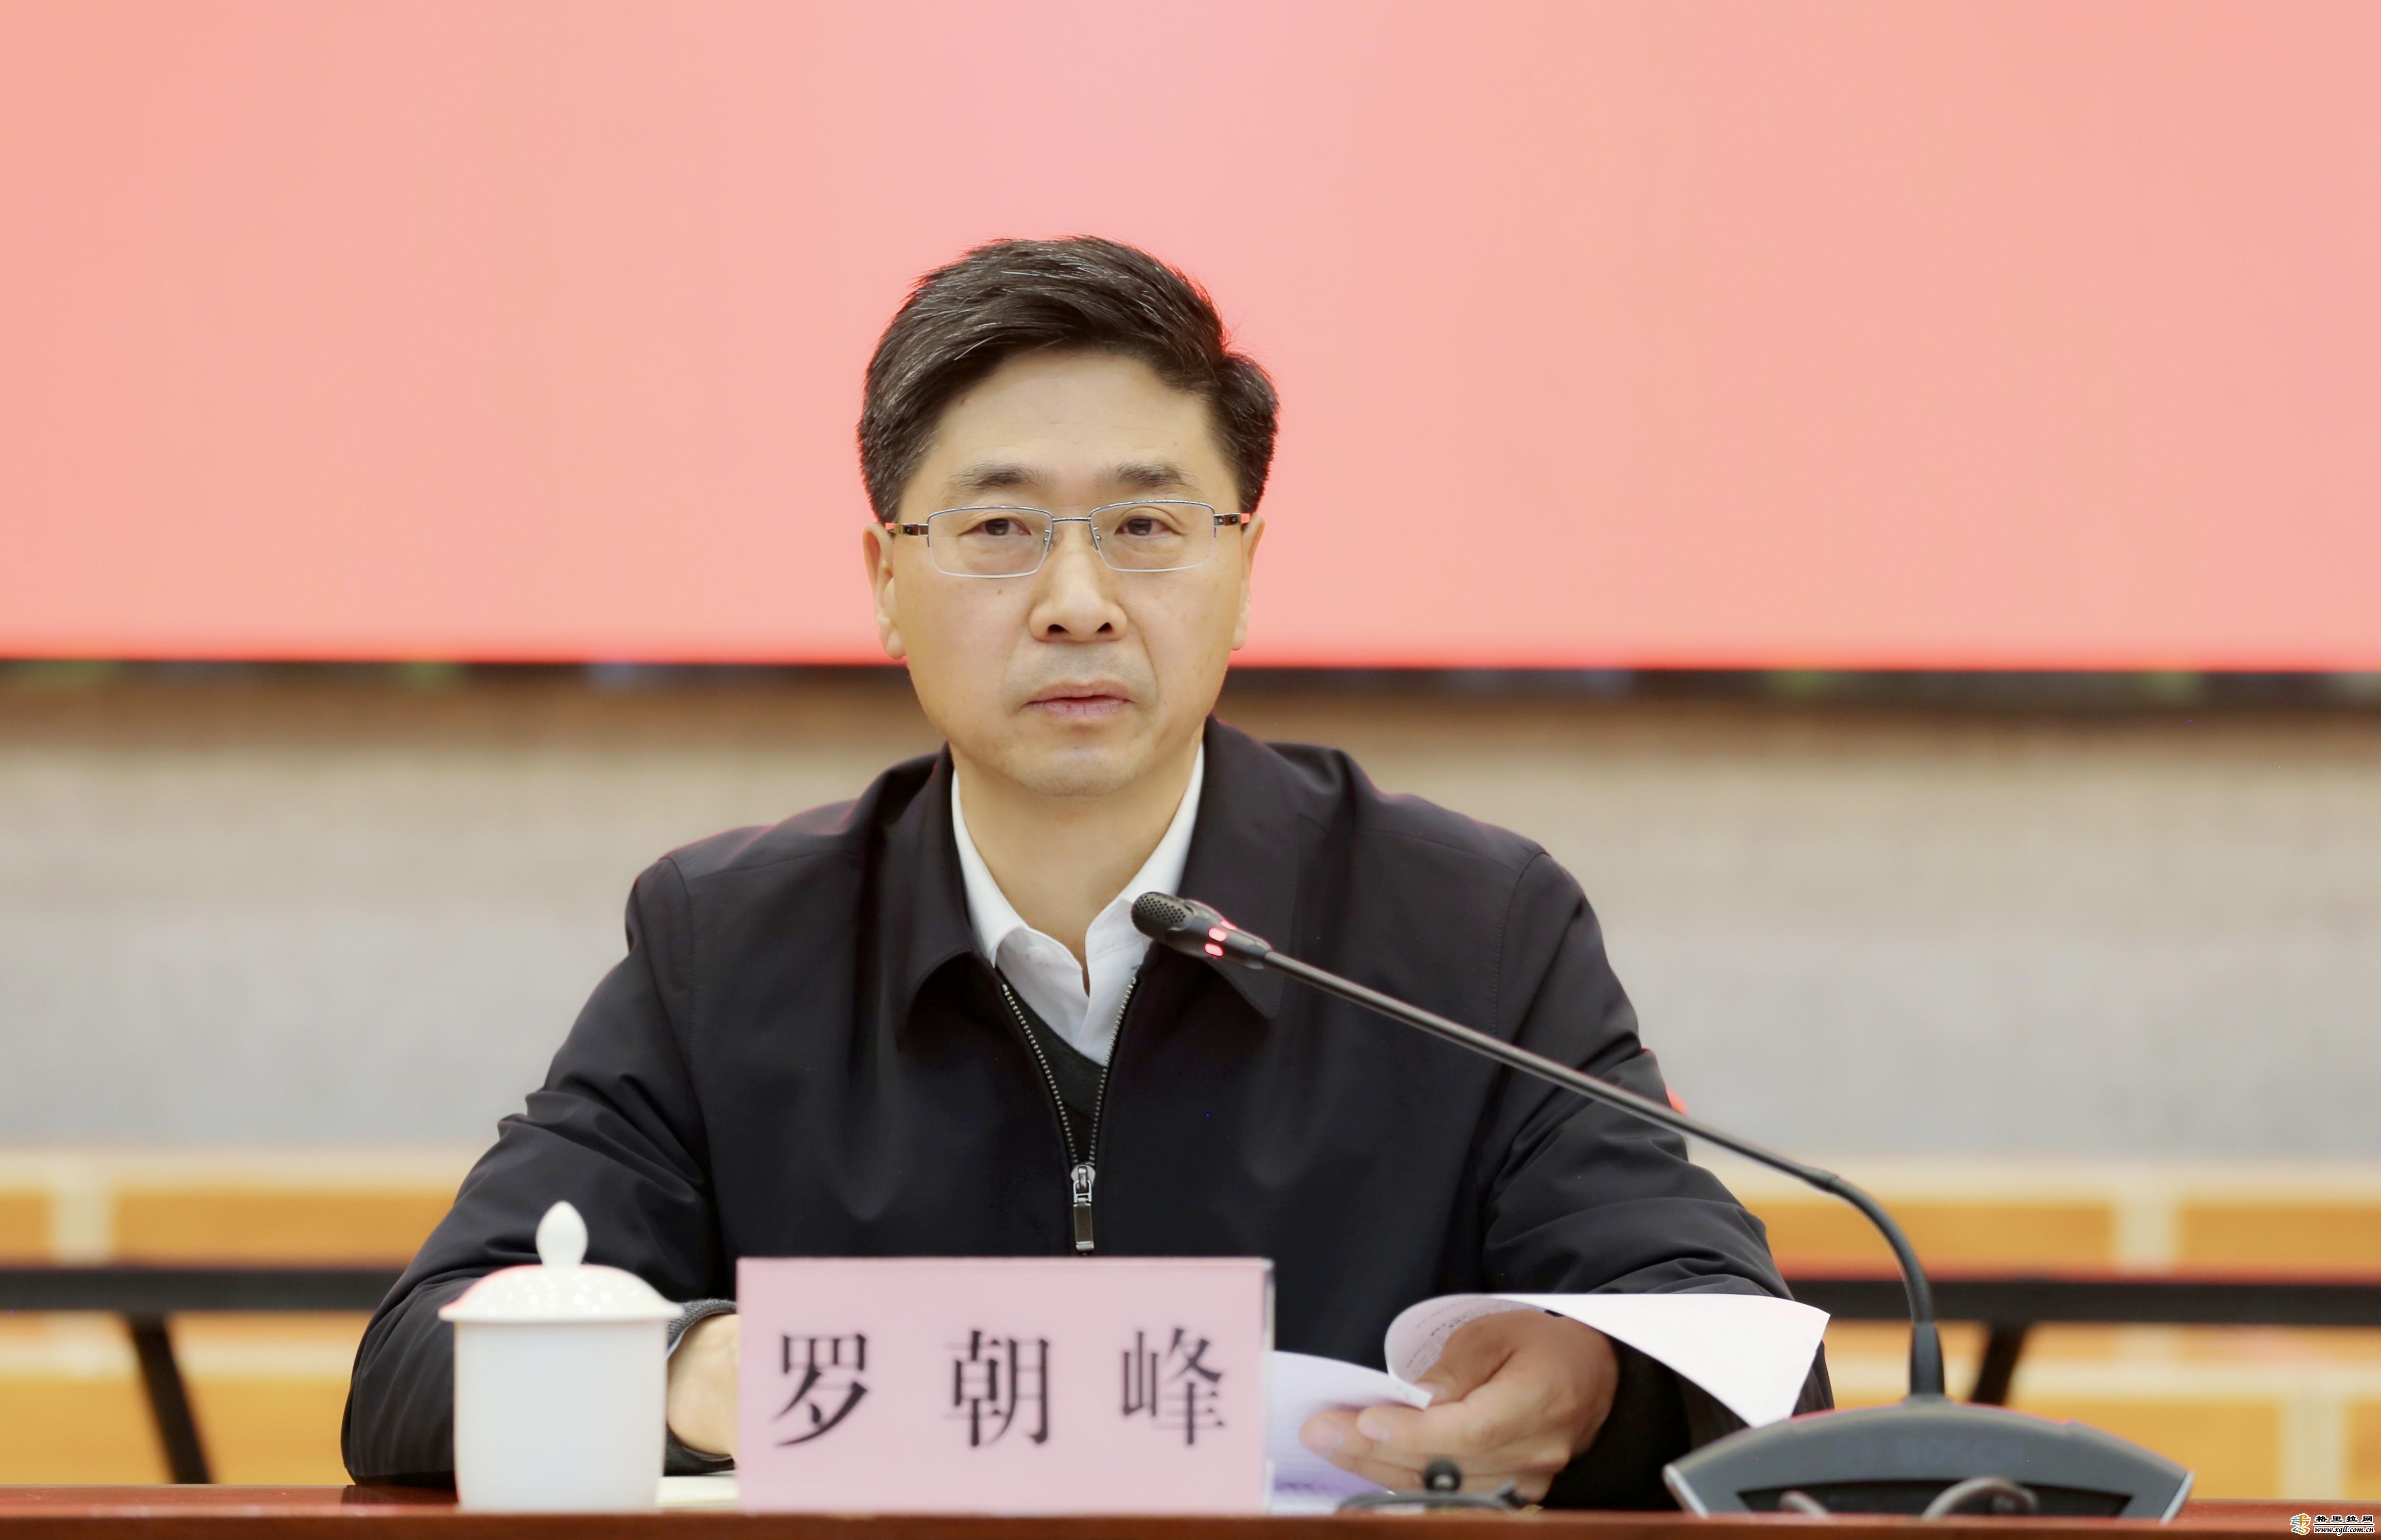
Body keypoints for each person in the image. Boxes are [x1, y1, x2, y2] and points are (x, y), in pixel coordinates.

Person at [342, 236, 1827, 1504]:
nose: (1076, 602)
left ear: (1243, 571)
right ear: (885, 583)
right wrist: (714, 1369)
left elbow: (1745, 1358)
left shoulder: (1467, 928)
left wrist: (1599, 1382)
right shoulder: (729, 944)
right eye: (998, 529)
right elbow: (415, 1367)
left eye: (1145, 527)